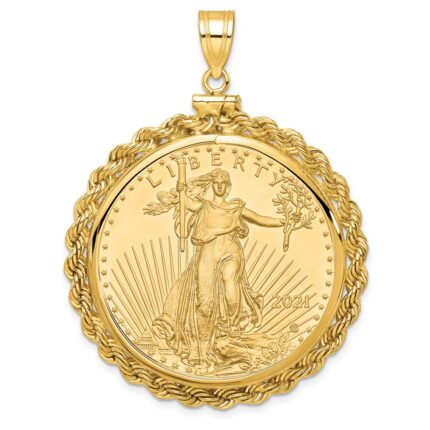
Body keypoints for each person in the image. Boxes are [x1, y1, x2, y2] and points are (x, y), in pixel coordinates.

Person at [148, 168, 286, 371]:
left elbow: (259, 218)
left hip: (230, 252)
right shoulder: (203, 206)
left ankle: (232, 325)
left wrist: (284, 221)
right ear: (213, 186)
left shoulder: (235, 208)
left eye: (223, 183)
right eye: (217, 183)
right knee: (204, 303)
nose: (220, 186)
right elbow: (187, 203)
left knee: (230, 286)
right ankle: (202, 349)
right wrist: (181, 190)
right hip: (207, 254)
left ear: (228, 187)